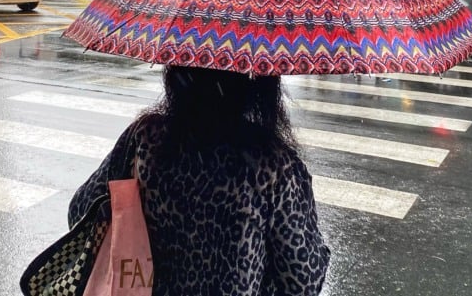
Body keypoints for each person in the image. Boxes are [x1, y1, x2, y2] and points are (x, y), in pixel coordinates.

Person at [67, 65, 330, 295]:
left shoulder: (145, 140)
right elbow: (303, 280)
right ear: (260, 83)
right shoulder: (274, 165)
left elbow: (80, 211)